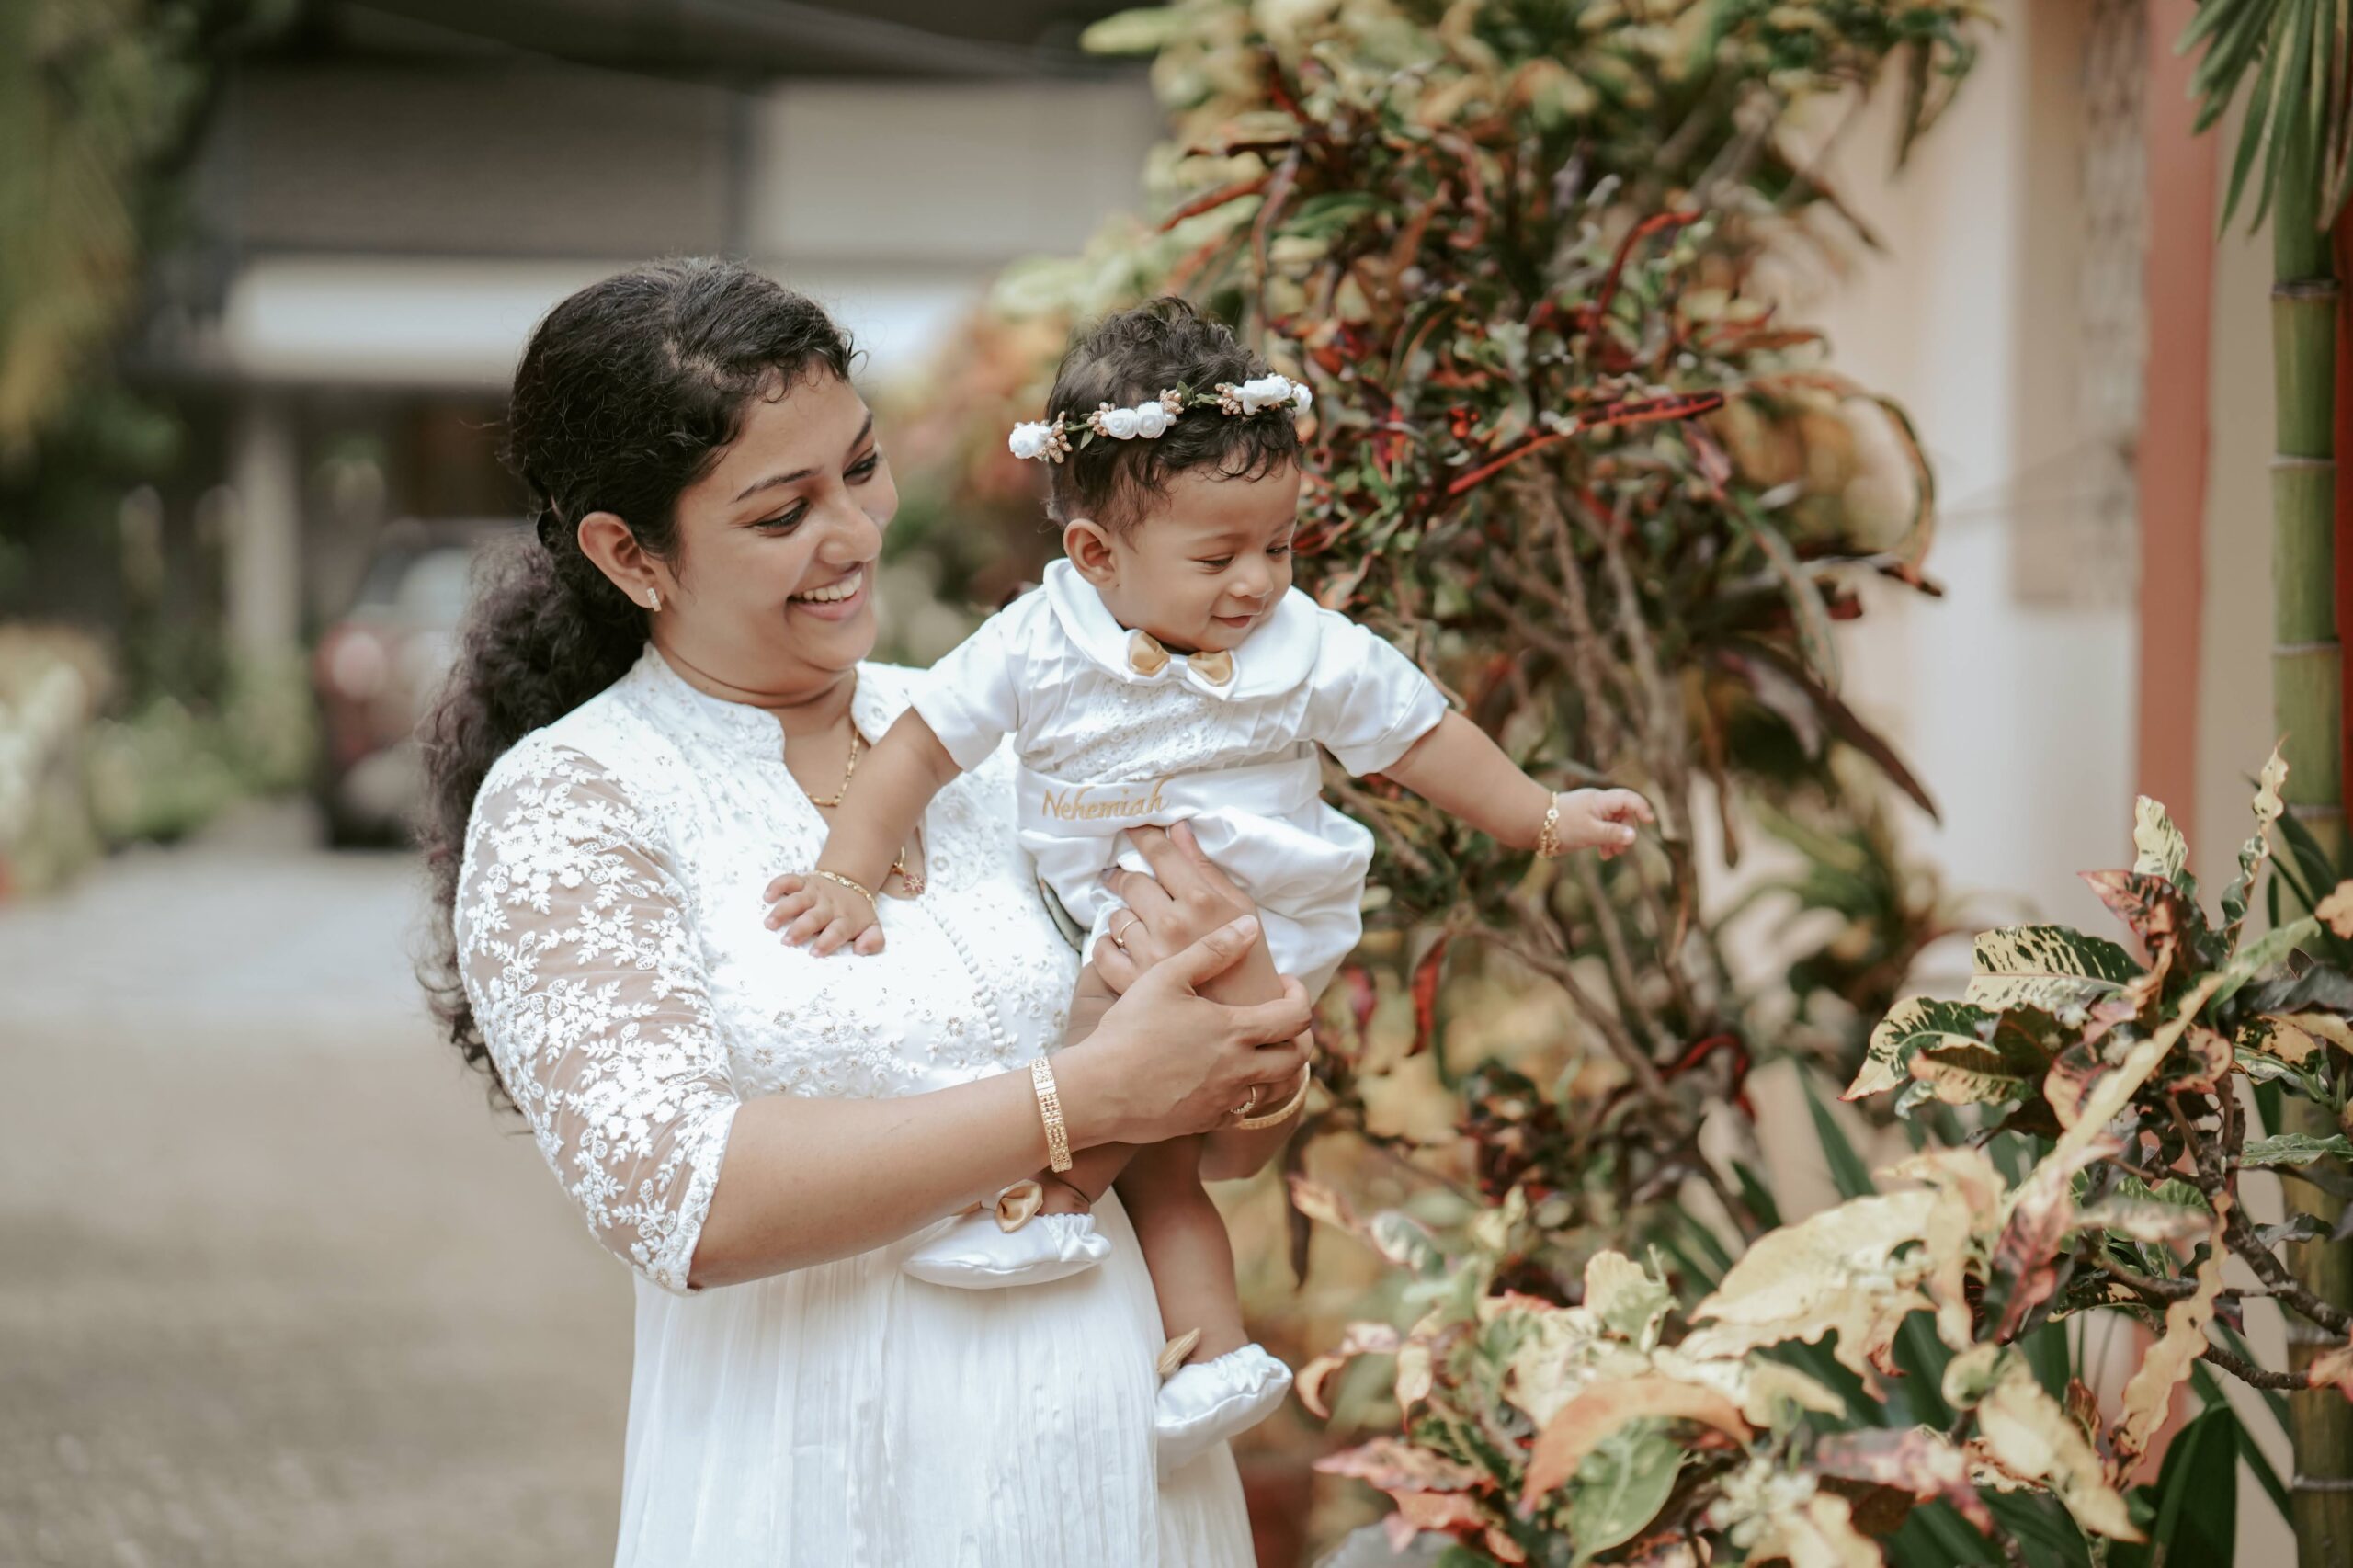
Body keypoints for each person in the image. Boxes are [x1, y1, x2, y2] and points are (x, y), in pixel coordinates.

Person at [416, 259, 1315, 1567]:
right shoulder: (576, 802)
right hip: (829, 1491)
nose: (853, 533)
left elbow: (1206, 1143)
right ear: (629, 553)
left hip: (1124, 1489)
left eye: (861, 468)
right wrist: (1083, 1094)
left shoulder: (1000, 731)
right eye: (784, 511)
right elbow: (685, 1198)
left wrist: (1247, 1041)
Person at [767, 300, 1654, 1471]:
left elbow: (1422, 736)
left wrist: (1539, 813)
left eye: (1279, 546)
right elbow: (919, 749)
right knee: (1166, 1153)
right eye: (1219, 556)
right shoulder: (1036, 641)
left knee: (1116, 1040)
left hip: (1255, 920)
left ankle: (1044, 1209)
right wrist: (848, 872)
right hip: (1124, 915)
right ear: (1097, 556)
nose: (1259, 581)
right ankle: (1214, 1354)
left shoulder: (1306, 646)